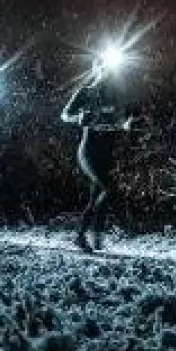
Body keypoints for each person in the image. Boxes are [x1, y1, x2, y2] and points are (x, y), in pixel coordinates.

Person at [60, 64, 134, 252]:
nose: (108, 74)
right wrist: (79, 117)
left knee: (96, 197)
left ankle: (89, 237)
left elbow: (116, 121)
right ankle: (91, 235)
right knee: (109, 189)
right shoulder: (85, 93)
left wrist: (125, 125)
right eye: (105, 70)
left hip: (106, 151)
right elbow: (65, 115)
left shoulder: (114, 97)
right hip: (89, 149)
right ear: (97, 71)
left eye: (111, 71)